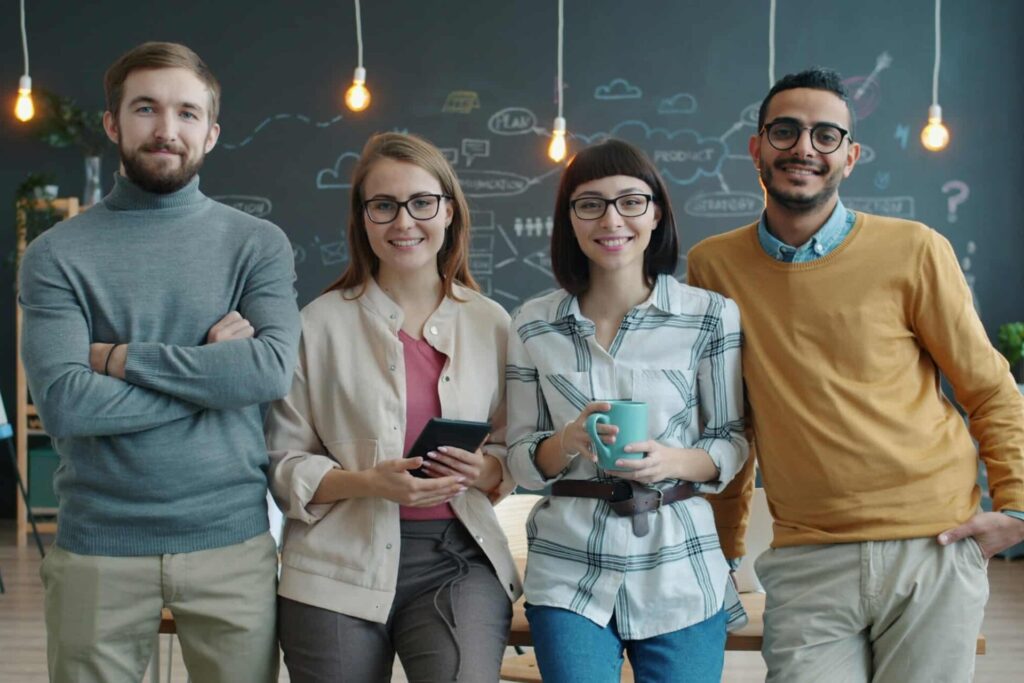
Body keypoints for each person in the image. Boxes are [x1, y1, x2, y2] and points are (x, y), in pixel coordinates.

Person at [687, 67, 1024, 683]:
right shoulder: (713, 266)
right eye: (785, 132)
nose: (804, 149)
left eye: (825, 135)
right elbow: (726, 420)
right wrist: (722, 549)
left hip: (934, 545)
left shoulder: (915, 249)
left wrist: (1018, 509)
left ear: (851, 155)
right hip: (807, 556)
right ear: (756, 148)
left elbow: (990, 389)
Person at [18, 42, 300, 682]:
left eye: (187, 113)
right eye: (146, 109)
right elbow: (66, 403)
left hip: (233, 545)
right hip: (97, 548)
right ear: (114, 123)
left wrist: (119, 359)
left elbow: (267, 372)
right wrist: (209, 371)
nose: (167, 130)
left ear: (212, 131)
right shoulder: (57, 255)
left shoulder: (256, 245)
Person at [264, 132, 521, 683]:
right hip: (335, 559)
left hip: (458, 558)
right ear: (362, 219)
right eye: (383, 206)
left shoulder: (493, 324)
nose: (404, 222)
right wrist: (370, 483)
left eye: (422, 203)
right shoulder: (315, 325)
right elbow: (282, 464)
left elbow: (512, 447)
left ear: (448, 211)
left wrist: (487, 468)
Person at [505, 139, 748, 683]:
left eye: (630, 201)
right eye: (589, 204)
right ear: (569, 219)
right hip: (568, 566)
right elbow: (520, 460)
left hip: (680, 563)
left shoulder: (709, 315)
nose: (611, 219)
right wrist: (567, 439)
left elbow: (732, 438)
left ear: (656, 212)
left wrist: (671, 462)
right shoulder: (531, 323)